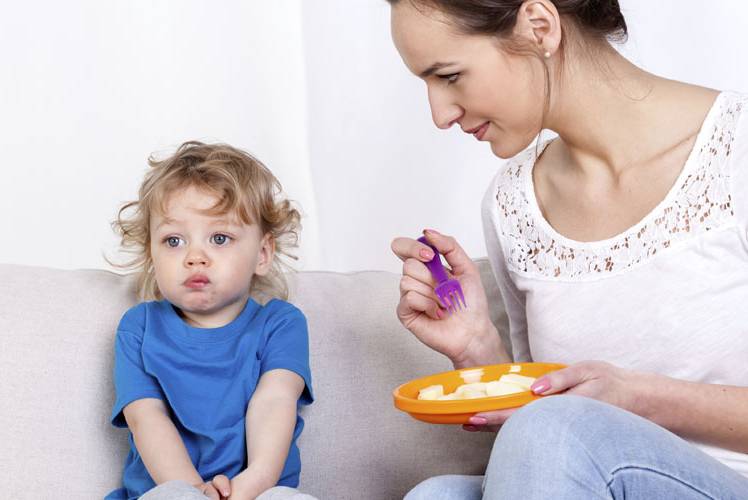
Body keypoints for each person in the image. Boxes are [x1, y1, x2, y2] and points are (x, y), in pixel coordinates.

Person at [387, 0, 748, 498]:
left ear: (539, 27)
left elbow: (557, 430)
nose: (440, 114)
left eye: (450, 76)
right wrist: (477, 349)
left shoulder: (736, 151)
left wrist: (637, 398)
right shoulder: (513, 204)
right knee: (438, 495)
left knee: (555, 427)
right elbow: (539, 451)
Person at [106, 141, 316, 500]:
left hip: (257, 490)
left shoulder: (281, 324)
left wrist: (252, 483)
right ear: (152, 255)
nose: (195, 257)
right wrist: (195, 491)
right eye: (174, 241)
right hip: (170, 489)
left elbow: (274, 401)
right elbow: (147, 418)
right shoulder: (138, 327)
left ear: (262, 253)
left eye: (219, 238)